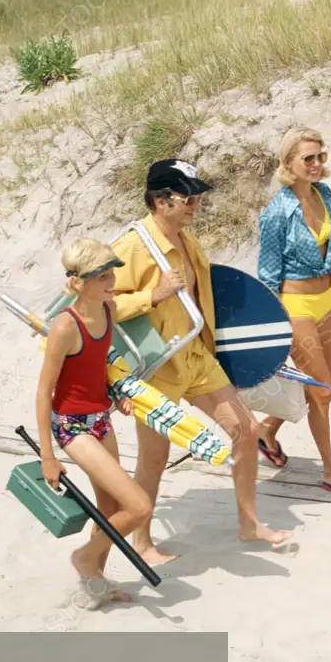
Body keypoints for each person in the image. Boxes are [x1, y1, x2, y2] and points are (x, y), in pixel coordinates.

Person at [110, 158, 289, 562]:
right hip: (157, 369)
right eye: (188, 197)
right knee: (154, 461)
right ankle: (142, 542)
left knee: (245, 429)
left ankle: (248, 524)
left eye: (198, 196)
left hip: (195, 356)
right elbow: (97, 306)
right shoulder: (132, 247)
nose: (196, 204)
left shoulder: (187, 239)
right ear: (160, 200)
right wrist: (150, 297)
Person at [35, 238, 155, 609]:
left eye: (112, 270)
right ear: (79, 282)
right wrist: (47, 456)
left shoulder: (108, 309)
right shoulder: (63, 328)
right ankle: (85, 558)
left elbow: (96, 364)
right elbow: (44, 392)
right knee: (138, 506)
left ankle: (95, 587)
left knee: (109, 511)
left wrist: (114, 392)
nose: (112, 278)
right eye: (102, 274)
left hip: (101, 418)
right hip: (72, 427)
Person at [255, 128, 331, 498]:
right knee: (321, 392)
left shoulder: (325, 194)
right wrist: (274, 323)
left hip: (327, 300)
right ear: (289, 163)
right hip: (295, 306)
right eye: (308, 158)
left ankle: (265, 430)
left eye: (320, 156)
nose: (317, 164)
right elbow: (268, 274)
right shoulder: (276, 212)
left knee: (314, 388)